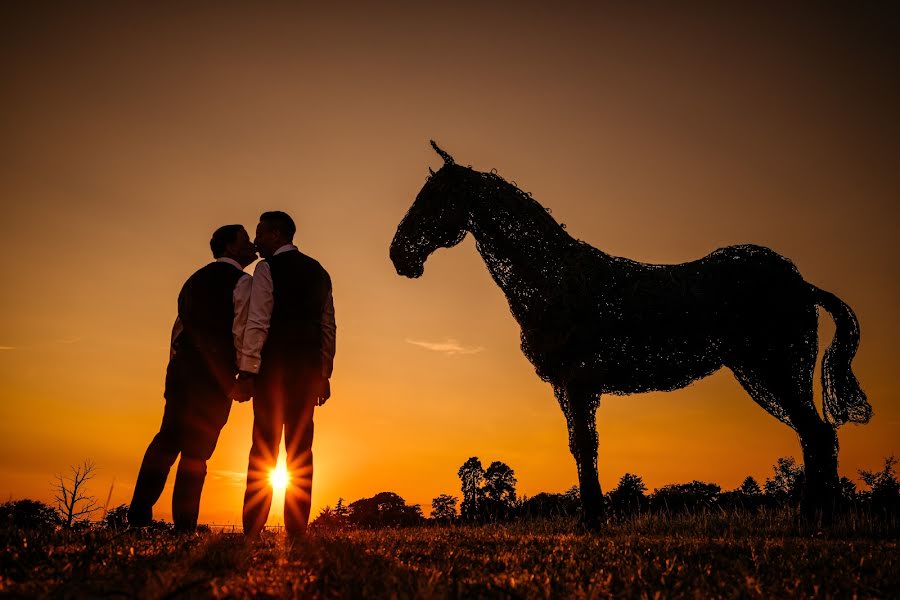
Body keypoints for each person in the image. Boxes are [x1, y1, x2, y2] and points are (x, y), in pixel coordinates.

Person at [129, 225, 257, 531]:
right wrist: (241, 377)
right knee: (197, 452)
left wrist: (176, 368)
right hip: (216, 379)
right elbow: (242, 331)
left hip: (181, 372)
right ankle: (184, 526)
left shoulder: (192, 281)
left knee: (166, 440)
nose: (251, 243)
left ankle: (137, 516)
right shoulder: (244, 283)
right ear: (229, 246)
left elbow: (178, 331)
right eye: (244, 239)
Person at [236, 210, 336, 539]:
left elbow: (258, 321)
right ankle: (296, 529)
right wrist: (324, 373)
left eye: (260, 233)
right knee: (301, 450)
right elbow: (327, 327)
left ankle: (253, 526)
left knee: (263, 448)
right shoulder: (320, 272)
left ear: (277, 235)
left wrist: (248, 369)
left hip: (272, 372)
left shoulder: (267, 269)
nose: (256, 240)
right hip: (307, 374)